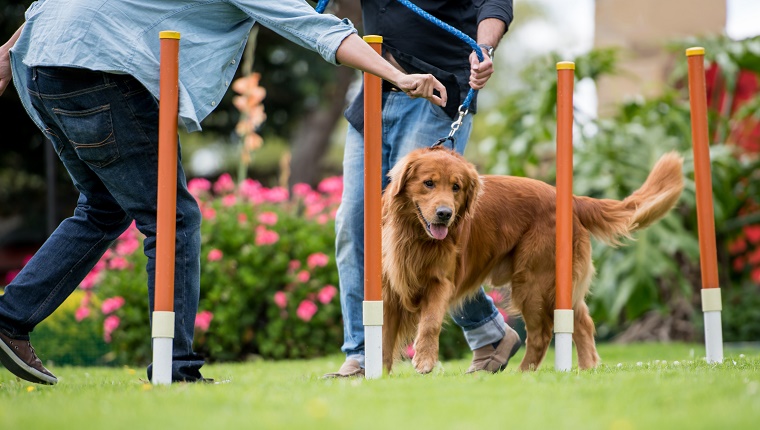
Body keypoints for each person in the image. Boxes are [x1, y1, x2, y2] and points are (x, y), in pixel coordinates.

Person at [0, 0, 448, 385]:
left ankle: (12, 317)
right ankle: (174, 367)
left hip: (40, 62)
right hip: (98, 69)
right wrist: (398, 75)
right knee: (173, 217)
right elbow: (316, 29)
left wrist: (7, 51)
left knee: (102, 207)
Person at [325, 0, 519, 378]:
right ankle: (364, 352)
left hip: (438, 94)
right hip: (374, 88)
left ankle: (478, 334)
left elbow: (494, 2)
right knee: (353, 224)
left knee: (432, 233)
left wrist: (485, 49)